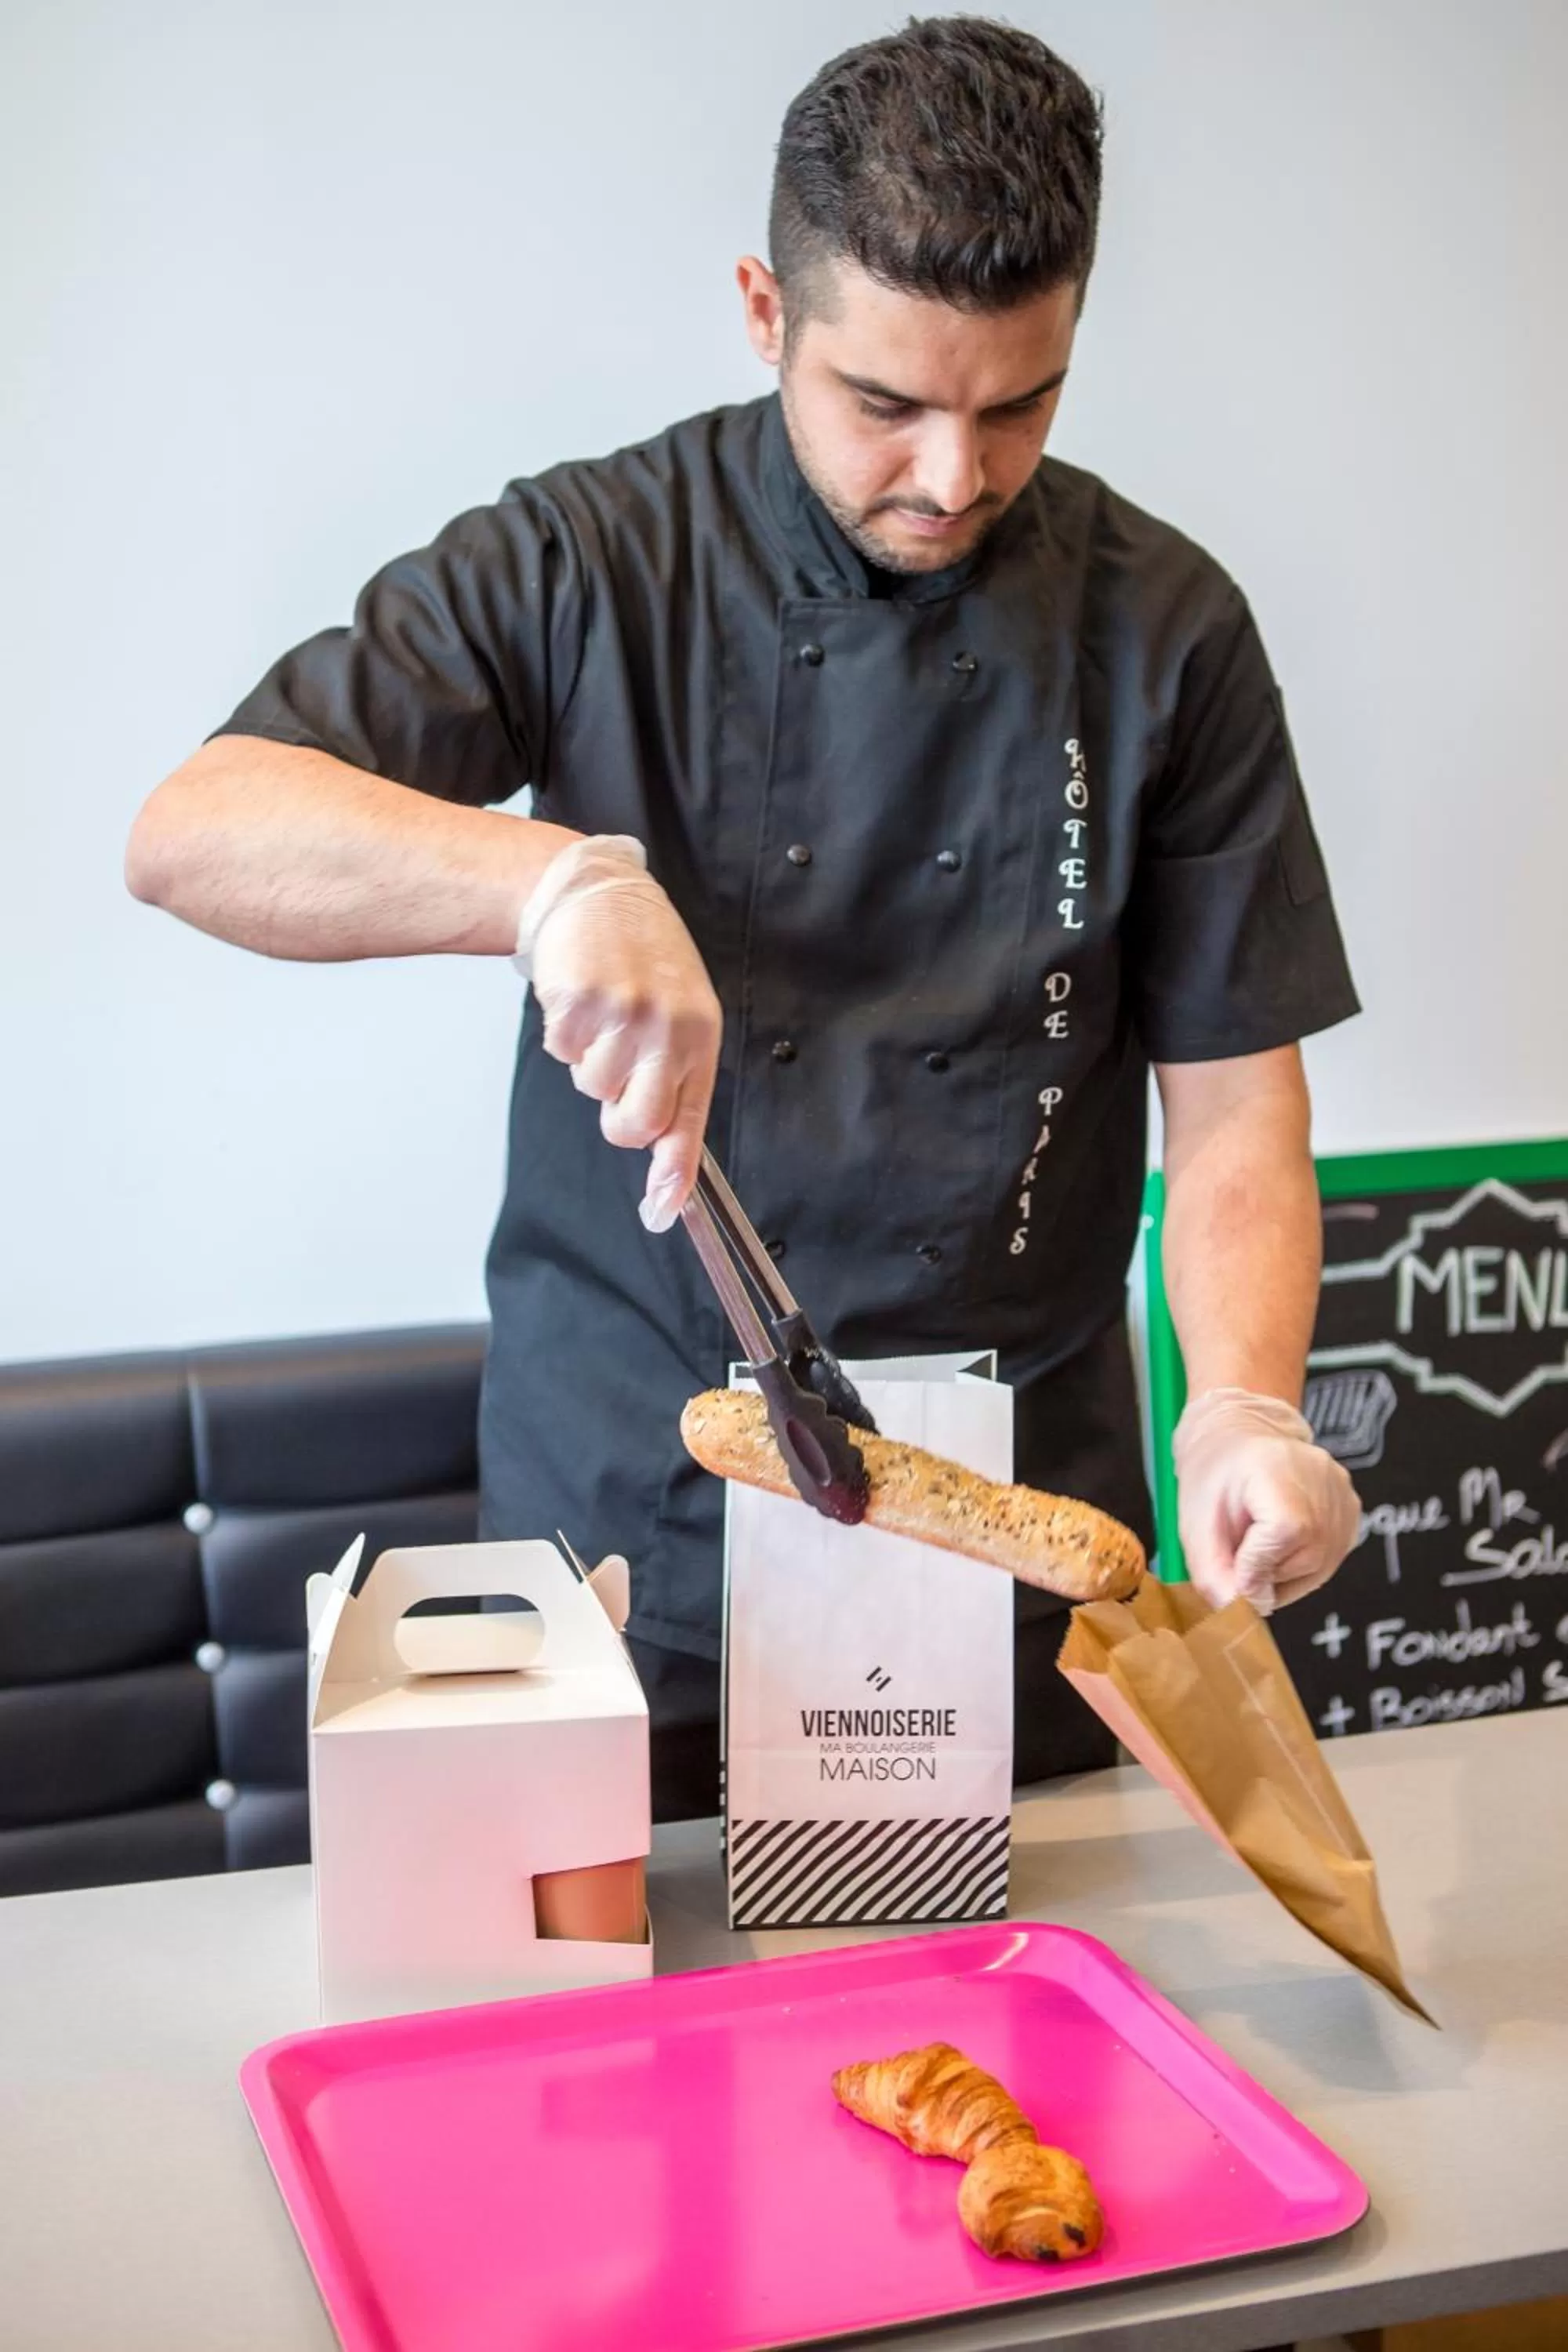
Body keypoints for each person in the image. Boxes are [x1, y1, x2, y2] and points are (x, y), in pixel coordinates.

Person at [126, 16, 1361, 1820]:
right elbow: (194, 827)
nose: (951, 474)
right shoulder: (588, 560)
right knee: (632, 2064)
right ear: (764, 312)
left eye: (1017, 403)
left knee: (1008, 2052)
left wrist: (1244, 1406)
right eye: (887, 404)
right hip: (639, 1522)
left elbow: (1236, 1103)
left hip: (1016, 1522)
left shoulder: (1165, 629)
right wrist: (545, 881)